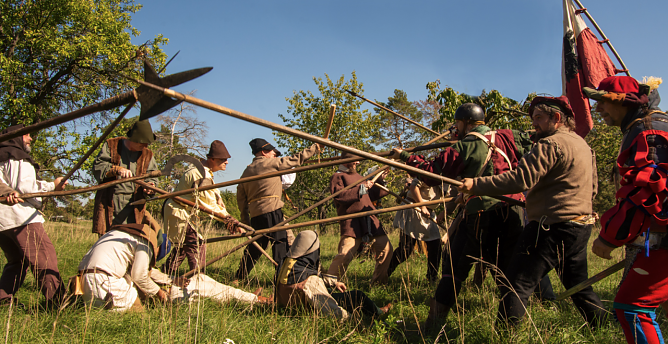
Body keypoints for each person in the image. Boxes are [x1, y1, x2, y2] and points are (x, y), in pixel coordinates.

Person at [459, 96, 606, 329]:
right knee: (578, 285)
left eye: (538, 118)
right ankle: (603, 325)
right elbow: (593, 189)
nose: (534, 124)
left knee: (517, 284)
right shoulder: (584, 146)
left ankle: (505, 335)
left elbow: (520, 179)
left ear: (556, 118)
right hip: (580, 226)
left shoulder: (550, 144)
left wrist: (476, 185)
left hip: (550, 228)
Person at [390, 103, 533, 330]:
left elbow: (431, 173)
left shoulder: (465, 145)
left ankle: (431, 327)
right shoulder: (510, 136)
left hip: (481, 213)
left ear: (465, 122)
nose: (456, 127)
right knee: (508, 273)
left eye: (458, 123)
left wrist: (405, 156)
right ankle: (511, 331)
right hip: (514, 211)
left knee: (453, 270)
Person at [585, 76, 668, 343]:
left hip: (661, 237)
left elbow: (648, 194)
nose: (598, 110)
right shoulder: (653, 124)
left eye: (604, 102)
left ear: (622, 101)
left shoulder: (648, 132)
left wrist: (609, 236)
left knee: (632, 307)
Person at [77, 222, 270, 312]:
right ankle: (256, 300)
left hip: (87, 288)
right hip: (107, 286)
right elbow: (139, 276)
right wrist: (159, 293)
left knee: (204, 281)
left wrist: (170, 280)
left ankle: (253, 298)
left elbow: (147, 271)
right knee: (205, 285)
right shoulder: (142, 243)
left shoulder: (118, 238)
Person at [234, 138, 320, 281]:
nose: (275, 155)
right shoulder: (270, 164)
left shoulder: (246, 171)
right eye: (272, 152)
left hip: (256, 215)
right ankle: (280, 282)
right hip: (273, 211)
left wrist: (245, 221)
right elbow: (295, 160)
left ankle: (239, 277)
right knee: (280, 246)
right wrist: (314, 148)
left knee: (255, 248)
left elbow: (241, 199)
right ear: (263, 152)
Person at [0, 125, 67, 306]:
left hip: (2, 222)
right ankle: (57, 303)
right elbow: (25, 187)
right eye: (27, 135)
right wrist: (53, 186)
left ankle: (2, 299)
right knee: (45, 258)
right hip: (20, 218)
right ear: (16, 138)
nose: (30, 139)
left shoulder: (2, 156)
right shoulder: (15, 155)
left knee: (18, 261)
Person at [162, 140, 241, 274]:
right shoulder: (200, 173)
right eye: (223, 159)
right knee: (197, 244)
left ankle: (165, 274)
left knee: (182, 248)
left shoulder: (205, 171)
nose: (226, 162)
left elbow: (211, 190)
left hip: (183, 213)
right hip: (179, 213)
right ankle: (198, 279)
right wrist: (229, 219)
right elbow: (208, 205)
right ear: (212, 159)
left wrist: (219, 196)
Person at [276, 230, 391, 320]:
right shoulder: (311, 281)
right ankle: (379, 313)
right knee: (357, 296)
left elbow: (308, 276)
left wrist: (333, 282)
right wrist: (352, 320)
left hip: (290, 305)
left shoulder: (285, 265)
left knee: (333, 292)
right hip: (310, 308)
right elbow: (331, 310)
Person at [327, 152, 393, 285]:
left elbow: (371, 195)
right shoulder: (338, 176)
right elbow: (339, 196)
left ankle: (378, 283)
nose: (357, 163)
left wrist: (380, 180)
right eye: (355, 161)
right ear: (346, 161)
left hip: (370, 217)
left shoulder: (360, 177)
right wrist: (361, 188)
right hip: (352, 219)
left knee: (386, 249)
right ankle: (330, 284)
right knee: (345, 254)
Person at [92, 120, 159, 236]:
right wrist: (117, 169)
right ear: (133, 139)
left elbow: (152, 175)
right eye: (142, 143)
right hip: (110, 203)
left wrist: (150, 186)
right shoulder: (111, 146)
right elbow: (98, 166)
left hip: (134, 207)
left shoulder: (147, 154)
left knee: (132, 239)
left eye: (147, 144)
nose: (145, 146)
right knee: (108, 239)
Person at [387, 177, 444, 283]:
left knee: (435, 246)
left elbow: (452, 196)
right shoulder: (429, 169)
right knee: (406, 249)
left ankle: (431, 278)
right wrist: (422, 206)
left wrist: (445, 212)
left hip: (428, 213)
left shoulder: (450, 176)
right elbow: (413, 187)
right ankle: (384, 274)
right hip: (415, 208)